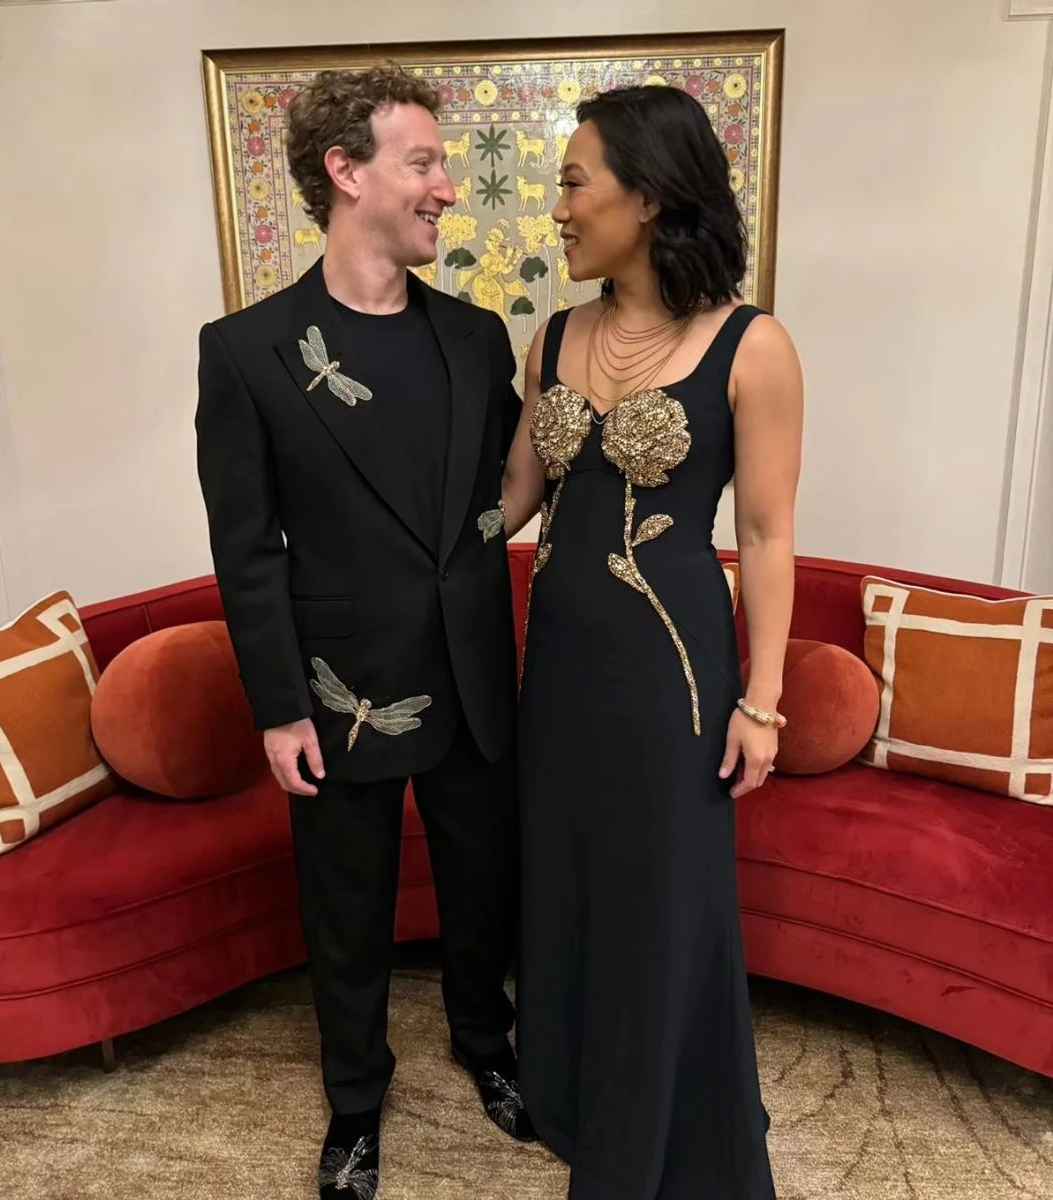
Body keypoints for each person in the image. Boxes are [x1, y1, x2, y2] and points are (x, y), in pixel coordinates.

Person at [194, 65, 536, 1200]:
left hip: (475, 672)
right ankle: (353, 1103)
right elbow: (248, 548)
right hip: (340, 686)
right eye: (423, 162)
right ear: (346, 172)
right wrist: (279, 706)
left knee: (484, 886)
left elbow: (501, 494)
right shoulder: (246, 351)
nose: (446, 186)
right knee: (344, 912)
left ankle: (486, 1046)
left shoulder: (476, 338)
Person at [501, 83, 803, 1199]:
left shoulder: (754, 346)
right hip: (559, 671)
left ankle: (665, 1128)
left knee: (662, 896)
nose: (558, 208)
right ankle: (576, 1096)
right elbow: (515, 498)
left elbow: (766, 535)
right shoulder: (553, 336)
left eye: (574, 183)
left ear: (650, 195)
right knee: (568, 881)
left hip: (674, 677)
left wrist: (761, 702)